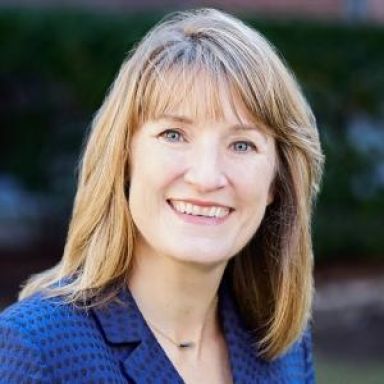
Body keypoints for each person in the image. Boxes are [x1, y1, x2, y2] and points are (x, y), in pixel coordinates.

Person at [0, 8, 324, 383]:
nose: (206, 177)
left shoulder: (283, 350)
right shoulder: (37, 348)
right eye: (174, 135)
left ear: (276, 183)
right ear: (124, 159)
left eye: (241, 144)